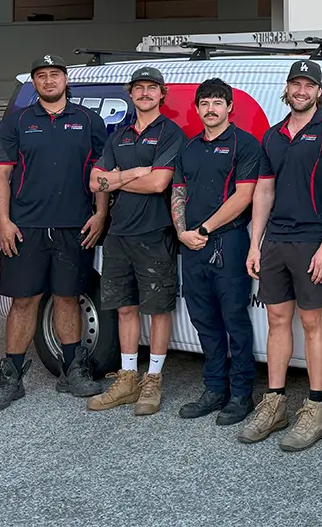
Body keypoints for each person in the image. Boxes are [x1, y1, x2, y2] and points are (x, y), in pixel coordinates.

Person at [0, 55, 108, 412]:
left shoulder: (88, 120)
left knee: (68, 297)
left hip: (74, 225)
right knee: (24, 301)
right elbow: (1, 175)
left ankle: (73, 371)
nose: (48, 81)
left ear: (66, 80)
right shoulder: (16, 122)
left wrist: (100, 213)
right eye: (41, 76)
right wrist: (4, 221)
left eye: (54, 75)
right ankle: (10, 377)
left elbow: (102, 172)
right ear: (34, 83)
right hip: (25, 227)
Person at [240, 59, 322, 449]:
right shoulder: (272, 136)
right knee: (276, 321)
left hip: (312, 241)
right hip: (276, 242)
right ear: (286, 90)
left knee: (312, 324)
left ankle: (315, 409)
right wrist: (255, 242)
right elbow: (263, 192)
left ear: (319, 92)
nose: (301, 91)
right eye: (295, 84)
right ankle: (275, 402)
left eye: (309, 85)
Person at [85, 66, 183, 416]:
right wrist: (131, 174)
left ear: (162, 94)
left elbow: (159, 184)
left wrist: (116, 179)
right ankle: (127, 377)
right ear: (130, 93)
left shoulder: (171, 133)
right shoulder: (120, 135)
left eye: (151, 88)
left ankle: (152, 379)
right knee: (124, 307)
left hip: (154, 234)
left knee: (157, 309)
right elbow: (97, 182)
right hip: (118, 234)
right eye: (138, 88)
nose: (144, 93)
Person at [171, 78, 261, 426]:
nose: (211, 109)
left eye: (217, 103)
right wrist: (182, 232)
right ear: (197, 109)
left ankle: (241, 393)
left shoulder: (245, 145)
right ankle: (214, 388)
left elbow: (243, 196)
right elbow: (177, 192)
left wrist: (204, 230)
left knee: (234, 321)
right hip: (191, 246)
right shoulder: (189, 148)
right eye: (205, 103)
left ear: (229, 108)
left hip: (227, 243)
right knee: (203, 320)